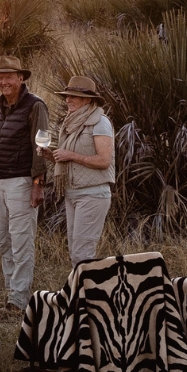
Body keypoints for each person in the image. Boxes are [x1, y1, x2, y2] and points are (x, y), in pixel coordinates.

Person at [0, 54, 49, 311]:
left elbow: (41, 146)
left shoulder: (35, 105)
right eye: (0, 77)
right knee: (3, 241)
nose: (3, 82)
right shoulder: (0, 105)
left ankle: (19, 301)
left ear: (21, 78)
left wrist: (38, 184)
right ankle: (11, 293)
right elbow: (5, 144)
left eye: (9, 77)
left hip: (21, 182)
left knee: (21, 242)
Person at [49, 75, 116, 265]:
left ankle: (90, 285)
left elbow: (104, 160)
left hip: (92, 195)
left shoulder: (100, 122)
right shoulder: (72, 122)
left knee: (82, 254)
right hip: (73, 193)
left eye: (73, 96)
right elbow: (70, 160)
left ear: (87, 100)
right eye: (67, 96)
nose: (68, 100)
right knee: (76, 253)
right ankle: (82, 284)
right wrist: (51, 155)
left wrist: (70, 155)